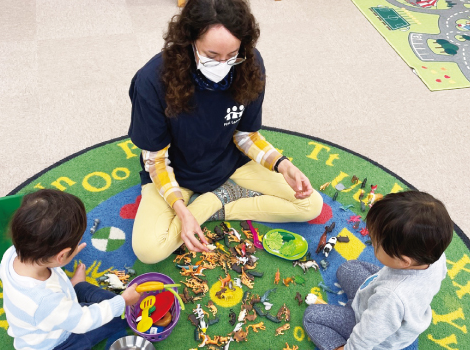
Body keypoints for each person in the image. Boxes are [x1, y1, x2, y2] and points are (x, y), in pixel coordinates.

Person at [128, 0, 323, 264]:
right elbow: (156, 159)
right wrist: (181, 211)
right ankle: (206, 204)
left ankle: (215, 202)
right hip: (176, 171)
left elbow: (245, 135)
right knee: (148, 251)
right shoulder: (152, 80)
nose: (223, 64)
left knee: (311, 204)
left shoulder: (250, 64)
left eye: (232, 55)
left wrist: (281, 164)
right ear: (189, 40)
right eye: (211, 55)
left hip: (230, 162)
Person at [303, 190, 453, 350]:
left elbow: (365, 337)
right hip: (383, 300)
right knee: (348, 268)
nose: (372, 243)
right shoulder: (433, 254)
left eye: (375, 244)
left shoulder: (390, 297)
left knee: (312, 317)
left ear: (403, 261)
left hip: (375, 328)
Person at [0, 189, 142, 350]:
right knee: (120, 315)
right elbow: (82, 322)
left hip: (56, 311)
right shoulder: (44, 301)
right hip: (55, 342)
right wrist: (122, 302)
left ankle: (75, 286)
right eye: (76, 245)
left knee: (112, 305)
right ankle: (80, 289)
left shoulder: (12, 254)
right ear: (61, 257)